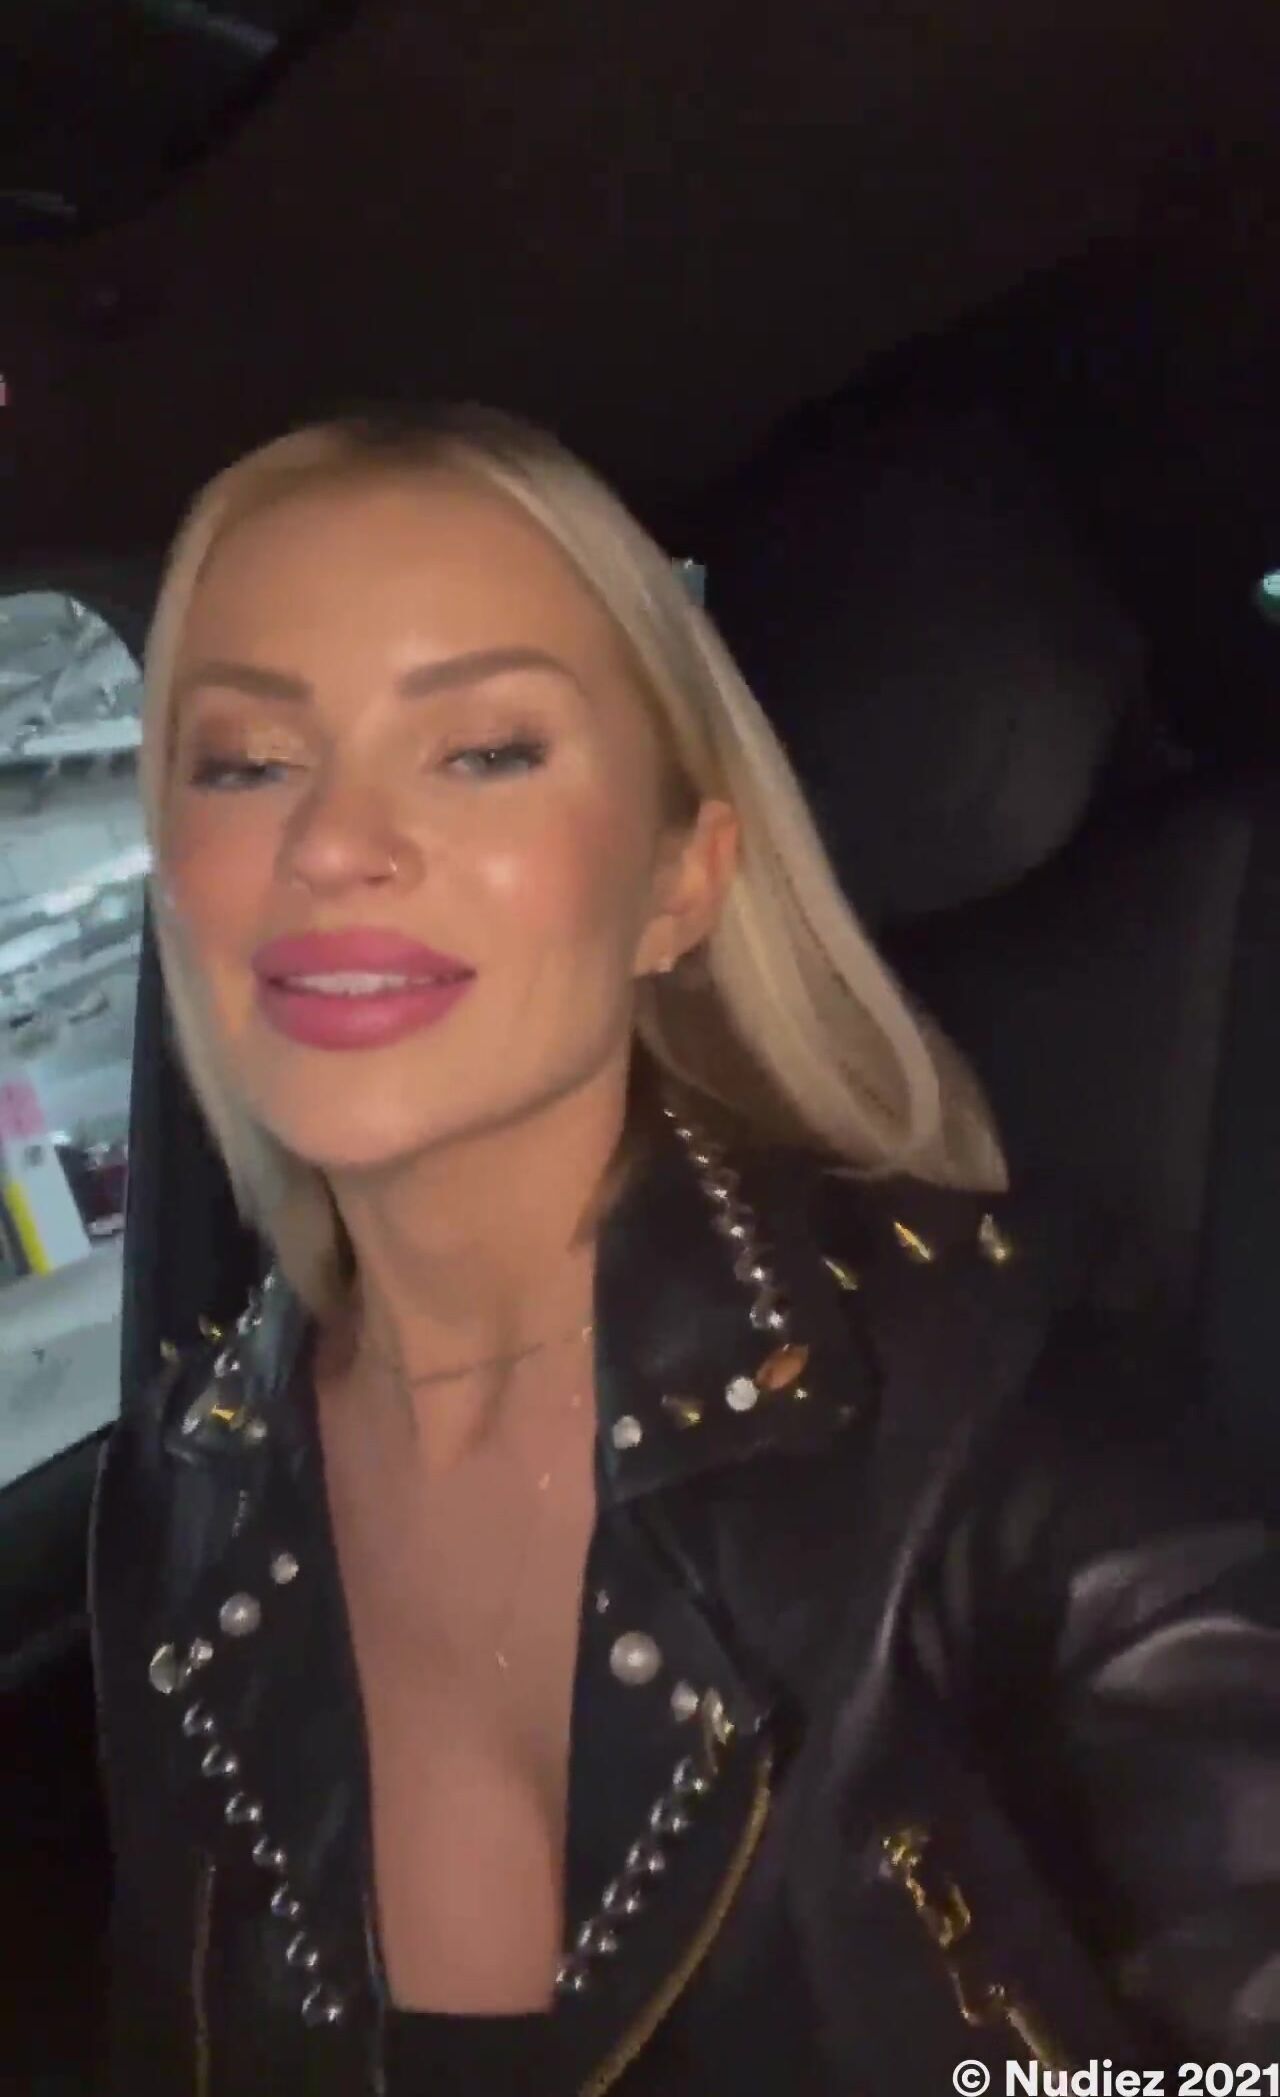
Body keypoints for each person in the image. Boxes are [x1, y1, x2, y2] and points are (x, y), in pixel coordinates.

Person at [91, 405, 1280, 2097]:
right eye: (245, 760)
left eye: (483, 748)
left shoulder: (1002, 1417)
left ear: (680, 880)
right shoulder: (181, 1488)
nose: (333, 840)